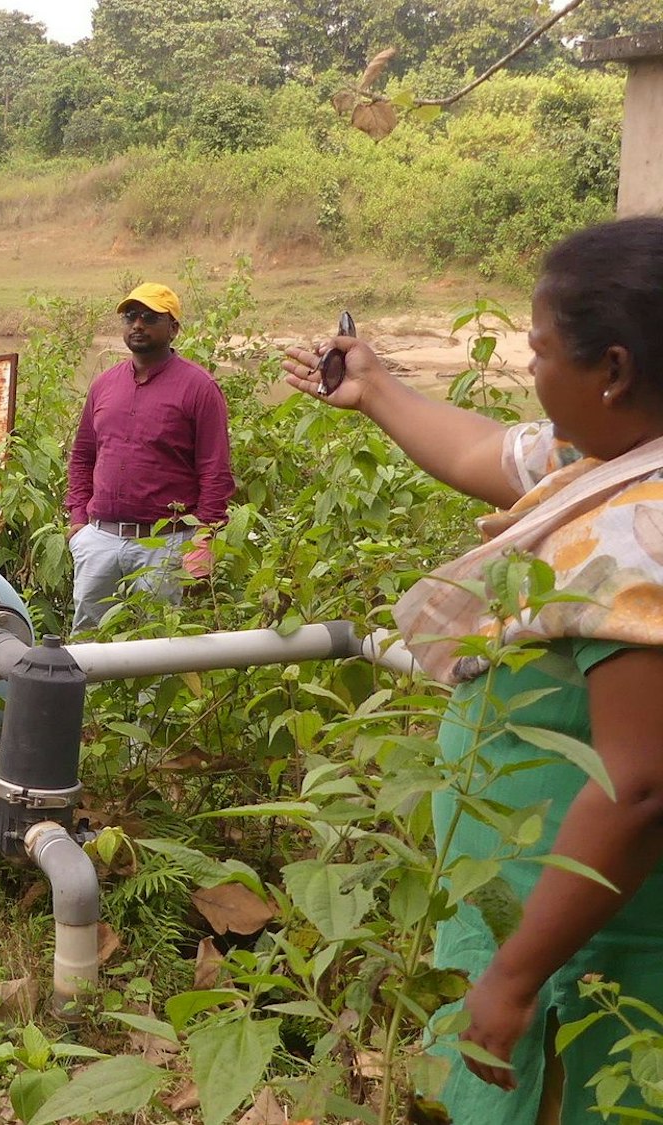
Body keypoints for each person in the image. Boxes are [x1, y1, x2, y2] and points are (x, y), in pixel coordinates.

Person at [279, 216, 663, 1124]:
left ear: (611, 369)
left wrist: (515, 977)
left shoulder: (639, 532)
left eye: (537, 352)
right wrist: (372, 385)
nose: (528, 373)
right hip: (537, 922)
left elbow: (640, 783)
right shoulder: (610, 457)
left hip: (589, 951)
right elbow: (482, 451)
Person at [64, 282, 236, 631]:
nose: (137, 325)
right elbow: (83, 456)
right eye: (130, 316)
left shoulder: (199, 388)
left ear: (173, 328)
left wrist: (204, 538)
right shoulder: (104, 385)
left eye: (149, 317)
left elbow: (215, 470)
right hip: (99, 539)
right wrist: (78, 522)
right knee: (88, 642)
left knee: (159, 646)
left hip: (166, 544)